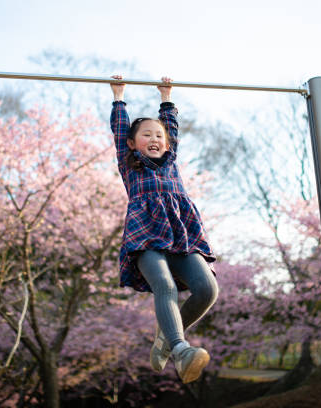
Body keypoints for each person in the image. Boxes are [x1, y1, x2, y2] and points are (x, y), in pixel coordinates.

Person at [109, 75, 219, 383]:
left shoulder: (171, 162)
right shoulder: (130, 163)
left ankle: (167, 336)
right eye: (146, 135)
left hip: (180, 234)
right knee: (165, 286)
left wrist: (166, 98)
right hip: (145, 237)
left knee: (208, 289)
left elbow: (170, 127)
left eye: (158, 135)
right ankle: (181, 350)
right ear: (132, 144)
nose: (155, 139)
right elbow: (120, 131)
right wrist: (119, 97)